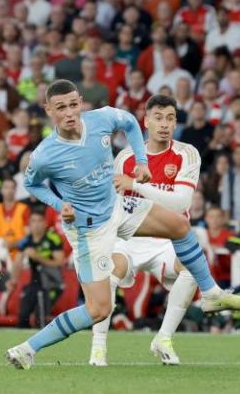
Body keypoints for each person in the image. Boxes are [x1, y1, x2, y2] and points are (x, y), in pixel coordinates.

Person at [5, 81, 240, 370]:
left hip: (116, 207)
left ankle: (211, 294)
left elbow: (129, 123)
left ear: (81, 102)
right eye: (61, 107)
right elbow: (31, 184)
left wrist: (140, 160)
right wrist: (58, 204)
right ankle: (28, 348)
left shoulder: (101, 118)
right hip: (89, 230)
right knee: (98, 310)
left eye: (74, 104)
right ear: (49, 110)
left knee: (180, 227)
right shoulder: (45, 154)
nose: (70, 113)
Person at [89, 94, 208, 367]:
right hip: (129, 236)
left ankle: (163, 339)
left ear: (176, 122)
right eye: (158, 117)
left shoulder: (186, 153)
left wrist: (137, 184)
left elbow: (182, 203)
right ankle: (98, 349)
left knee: (191, 267)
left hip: (167, 238)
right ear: (145, 121)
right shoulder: (126, 157)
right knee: (110, 272)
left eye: (170, 118)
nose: (164, 124)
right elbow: (112, 202)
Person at [13, 207, 65, 328]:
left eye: (39, 221)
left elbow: (59, 262)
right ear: (29, 224)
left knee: (39, 318)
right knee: (23, 317)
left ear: (45, 223)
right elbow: (17, 264)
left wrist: (37, 257)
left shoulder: (53, 239)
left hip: (52, 284)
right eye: (33, 221)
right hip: (34, 284)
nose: (36, 225)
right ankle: (21, 344)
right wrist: (12, 279)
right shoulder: (25, 242)